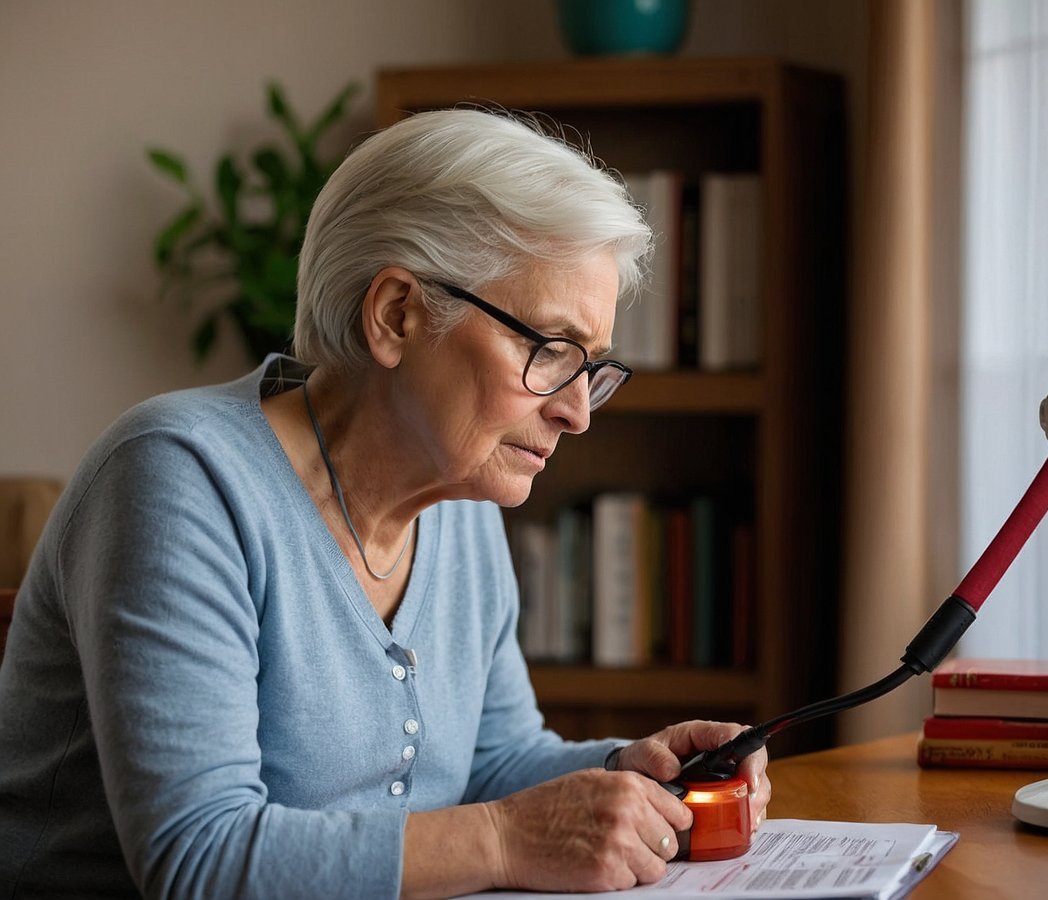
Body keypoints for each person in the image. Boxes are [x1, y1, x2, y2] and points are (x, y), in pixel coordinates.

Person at [0, 108, 770, 898]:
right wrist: (508, 838)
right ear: (397, 315)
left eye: (594, 368)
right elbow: (198, 859)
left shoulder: (458, 494)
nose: (576, 409)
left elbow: (486, 763)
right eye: (548, 349)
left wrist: (630, 769)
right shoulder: (178, 480)